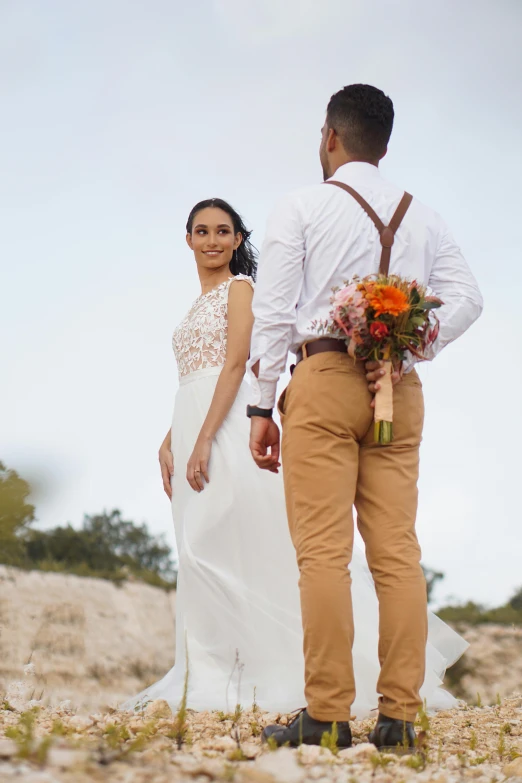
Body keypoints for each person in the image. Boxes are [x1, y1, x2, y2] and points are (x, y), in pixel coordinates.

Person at [122, 195, 469, 731]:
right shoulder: (194, 305)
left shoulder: (241, 290)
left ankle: (285, 678)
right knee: (200, 547)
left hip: (229, 423)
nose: (212, 240)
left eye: (223, 231)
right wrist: (173, 435)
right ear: (187, 239)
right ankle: (214, 666)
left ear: (239, 240)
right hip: (193, 418)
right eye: (201, 231)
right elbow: (198, 373)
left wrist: (208, 436)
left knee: (260, 544)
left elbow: (237, 364)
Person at [247, 83, 483, 751]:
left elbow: (272, 311)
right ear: (384, 145)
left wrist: (262, 405)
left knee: (323, 553)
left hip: (322, 379)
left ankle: (325, 714)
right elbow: (469, 297)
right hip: (397, 386)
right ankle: (400, 716)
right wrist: (412, 343)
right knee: (397, 552)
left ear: (330, 136)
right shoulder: (425, 217)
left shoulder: (301, 205)